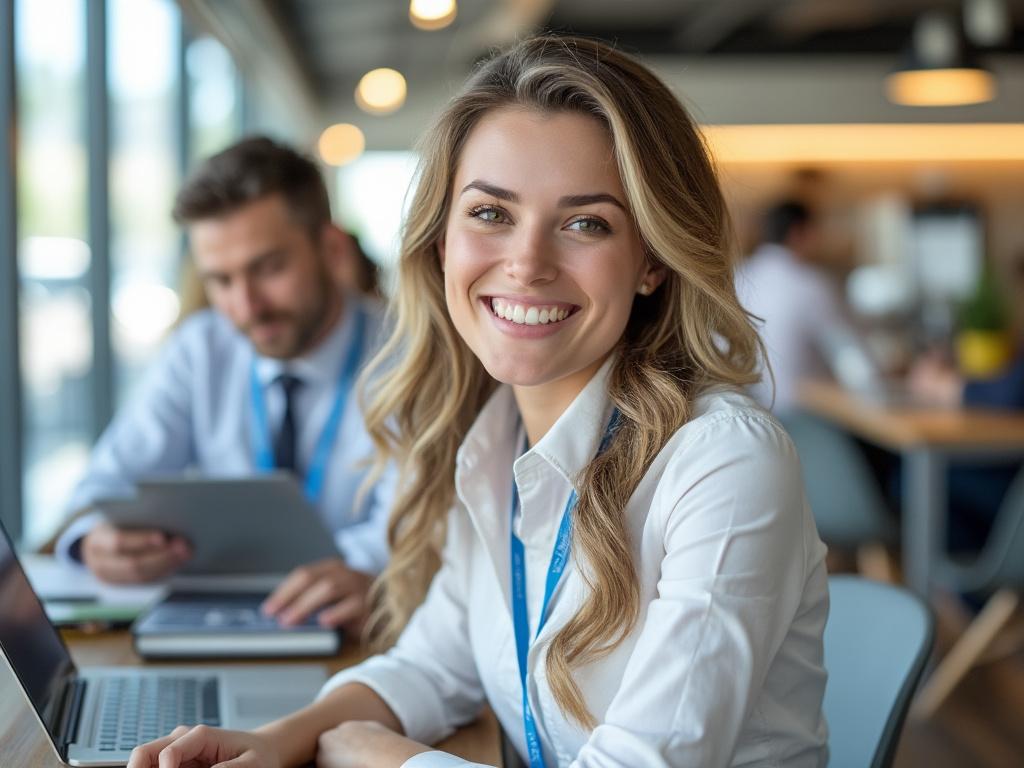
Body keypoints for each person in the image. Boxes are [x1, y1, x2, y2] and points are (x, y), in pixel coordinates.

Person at [128, 36, 828, 768]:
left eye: (586, 222)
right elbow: (433, 665)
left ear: (651, 259)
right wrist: (274, 741)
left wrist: (383, 758)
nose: (526, 263)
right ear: (440, 243)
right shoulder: (494, 439)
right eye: (491, 213)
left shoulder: (724, 463)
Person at [56, 137, 392, 632]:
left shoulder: (407, 353)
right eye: (221, 280)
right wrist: (92, 541)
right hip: (218, 623)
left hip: (356, 631)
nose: (246, 306)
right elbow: (104, 485)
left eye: (269, 269)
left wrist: (373, 571)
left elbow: (410, 529)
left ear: (332, 248)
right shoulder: (201, 349)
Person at [736, 200, 865, 413]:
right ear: (798, 232)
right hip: (797, 412)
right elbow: (847, 349)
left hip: (746, 408)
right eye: (816, 232)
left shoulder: (739, 276)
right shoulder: (809, 283)